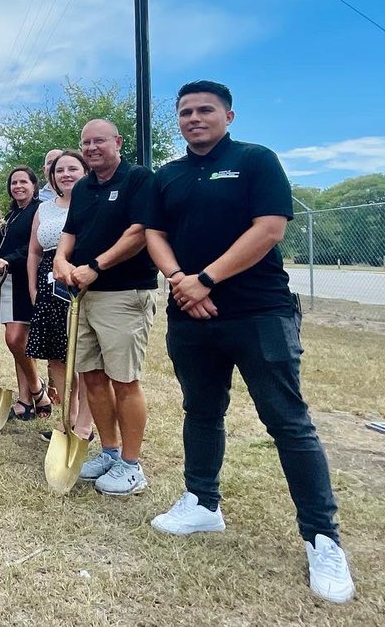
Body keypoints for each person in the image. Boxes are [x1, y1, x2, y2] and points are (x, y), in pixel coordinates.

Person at [145, 80, 354, 603]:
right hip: (189, 316)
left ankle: (322, 538)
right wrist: (181, 283)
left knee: (288, 422)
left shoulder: (257, 160)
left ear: (229, 115)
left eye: (206, 110)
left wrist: (207, 279)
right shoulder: (168, 175)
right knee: (201, 409)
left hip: (259, 314)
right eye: (186, 112)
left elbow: (269, 228)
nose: (195, 118)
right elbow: (154, 234)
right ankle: (202, 503)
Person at [53, 120, 158, 496]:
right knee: (92, 377)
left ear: (117, 142)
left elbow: (139, 232)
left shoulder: (138, 179)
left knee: (124, 380)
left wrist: (95, 267)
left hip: (124, 294)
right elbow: (70, 233)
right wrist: (62, 262)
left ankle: (132, 465)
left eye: (100, 141)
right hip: (83, 295)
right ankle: (110, 452)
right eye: (86, 142)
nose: (92, 147)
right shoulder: (83, 187)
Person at [27, 152, 89, 436]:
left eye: (72, 169)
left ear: (85, 171)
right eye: (59, 170)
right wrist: (33, 287)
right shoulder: (45, 208)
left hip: (83, 280)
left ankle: (85, 423)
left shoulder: (93, 202)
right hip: (48, 284)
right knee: (56, 356)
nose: (65, 174)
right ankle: (69, 417)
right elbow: (34, 252)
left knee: (83, 355)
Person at [0, 166, 42, 418]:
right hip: (4, 283)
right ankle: (24, 401)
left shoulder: (37, 211)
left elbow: (33, 248)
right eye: (13, 183)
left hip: (24, 280)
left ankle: (37, 389)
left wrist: (7, 259)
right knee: (17, 344)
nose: (18, 186)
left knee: (15, 339)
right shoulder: (12, 214)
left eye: (23, 182)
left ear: (34, 185)